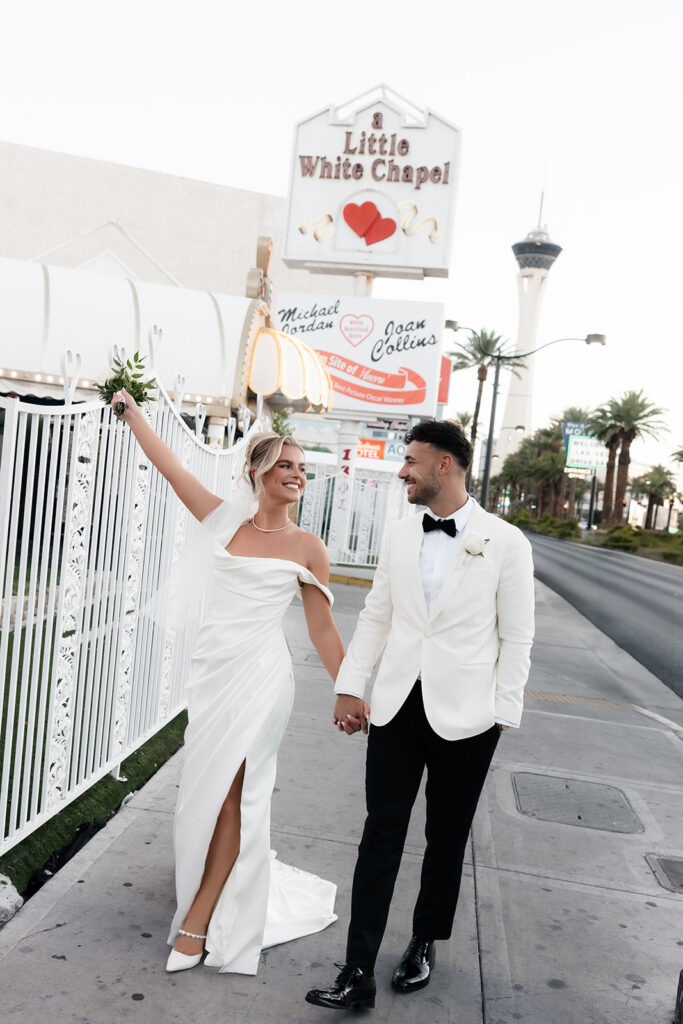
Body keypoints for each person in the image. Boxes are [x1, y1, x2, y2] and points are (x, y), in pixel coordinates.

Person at [111, 389, 366, 976]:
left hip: (263, 678)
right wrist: (132, 413)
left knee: (235, 792)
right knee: (204, 791)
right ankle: (215, 884)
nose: (297, 475)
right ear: (258, 472)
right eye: (286, 465)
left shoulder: (309, 548)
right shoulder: (223, 519)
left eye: (302, 469)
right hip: (214, 675)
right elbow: (169, 464)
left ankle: (198, 922)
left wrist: (347, 688)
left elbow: (323, 628)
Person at [306, 419, 535, 1010]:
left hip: (469, 718)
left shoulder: (505, 542)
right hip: (396, 708)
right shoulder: (401, 535)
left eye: (411, 460)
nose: (402, 470)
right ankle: (357, 968)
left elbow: (518, 638)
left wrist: (502, 712)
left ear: (444, 466)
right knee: (379, 833)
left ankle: (423, 942)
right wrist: (350, 686)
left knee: (445, 838)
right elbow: (377, 616)